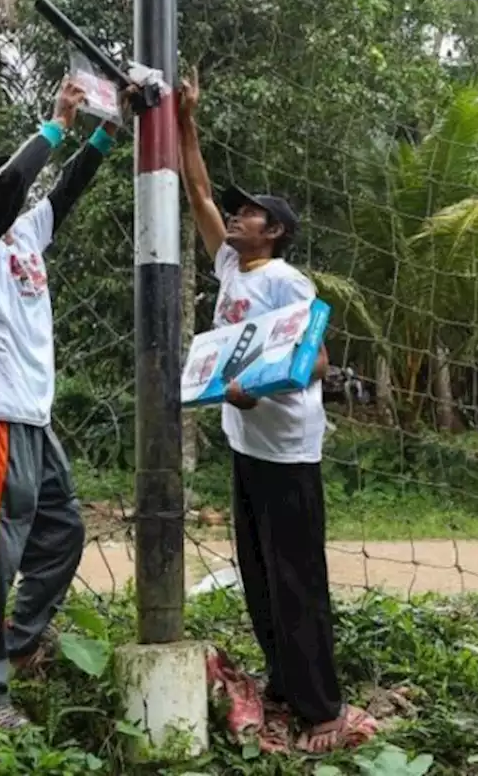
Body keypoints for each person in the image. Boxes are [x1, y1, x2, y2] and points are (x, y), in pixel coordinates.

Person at [177, 68, 373, 754]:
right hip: (246, 446)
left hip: (287, 450)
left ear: (277, 231)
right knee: (259, 576)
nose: (234, 216)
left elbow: (314, 363)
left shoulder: (288, 282)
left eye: (250, 212)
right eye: (236, 212)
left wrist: (255, 386)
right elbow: (196, 188)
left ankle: (325, 709)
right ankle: (284, 685)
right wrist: (185, 119)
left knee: (297, 580)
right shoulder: (231, 267)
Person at [0, 78, 118, 730]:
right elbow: (17, 186)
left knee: (62, 534)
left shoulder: (24, 237)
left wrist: (106, 130)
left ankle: (11, 646)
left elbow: (64, 191)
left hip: (34, 419)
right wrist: (54, 124)